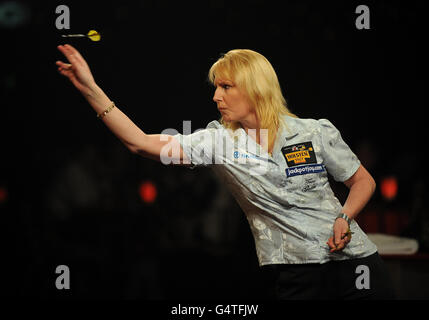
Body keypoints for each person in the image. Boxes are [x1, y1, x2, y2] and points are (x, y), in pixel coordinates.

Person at [56, 45, 395, 300]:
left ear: (255, 88)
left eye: (226, 86)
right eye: (215, 87)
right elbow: (140, 143)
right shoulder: (217, 141)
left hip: (357, 266)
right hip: (296, 273)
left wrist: (345, 217)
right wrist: (90, 88)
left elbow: (362, 181)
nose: (216, 95)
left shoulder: (314, 131)